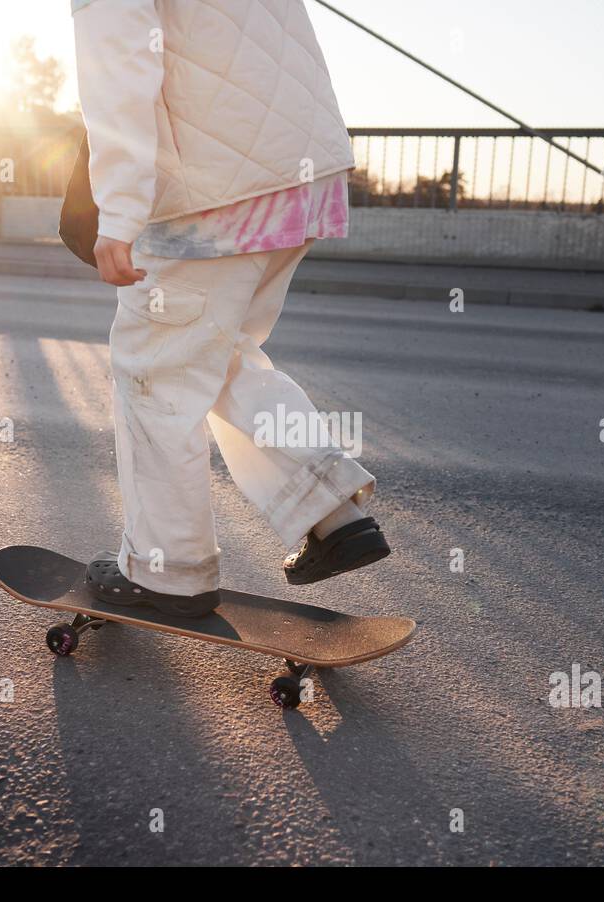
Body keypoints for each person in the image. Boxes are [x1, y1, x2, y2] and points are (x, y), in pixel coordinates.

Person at [72, 0, 390, 617]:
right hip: (300, 177)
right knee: (217, 356)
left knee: (156, 376)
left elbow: (119, 69)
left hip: (212, 192)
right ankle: (330, 509)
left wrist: (118, 213)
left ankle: (170, 572)